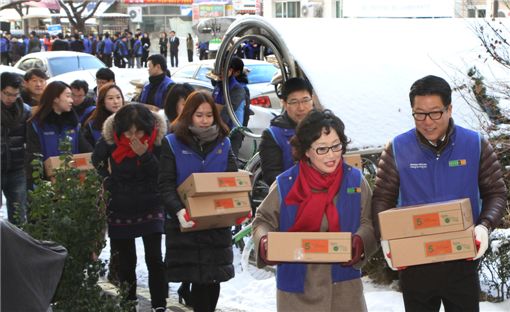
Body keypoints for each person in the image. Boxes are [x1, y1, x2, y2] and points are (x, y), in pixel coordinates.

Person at [371, 75, 507, 311]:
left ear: (449, 109)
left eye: (435, 112)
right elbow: (382, 198)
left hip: (462, 259)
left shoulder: (474, 144)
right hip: (414, 263)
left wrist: (484, 226)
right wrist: (386, 238)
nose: (427, 122)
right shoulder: (397, 148)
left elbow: (496, 192)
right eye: (419, 114)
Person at [252, 109, 376, 312]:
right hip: (297, 289)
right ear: (306, 151)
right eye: (322, 149)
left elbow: (369, 221)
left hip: (344, 289)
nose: (331, 155)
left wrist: (361, 241)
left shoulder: (355, 181)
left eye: (336, 146)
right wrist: (265, 242)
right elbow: (262, 221)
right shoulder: (286, 184)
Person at [158, 91, 237, 312]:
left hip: (215, 225)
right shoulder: (172, 143)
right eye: (199, 115)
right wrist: (179, 211)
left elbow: (233, 180)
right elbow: (165, 183)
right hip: (187, 224)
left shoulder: (224, 143)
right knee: (197, 280)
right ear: (188, 115)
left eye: (209, 115)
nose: (204, 120)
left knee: (212, 281)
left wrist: (239, 206)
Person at [92, 104, 168, 310]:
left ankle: (159, 305)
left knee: (154, 258)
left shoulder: (158, 141)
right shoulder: (110, 140)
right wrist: (107, 181)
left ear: (149, 128)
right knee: (126, 262)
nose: (133, 136)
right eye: (128, 131)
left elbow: (162, 173)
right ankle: (128, 303)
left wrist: (144, 155)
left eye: (139, 131)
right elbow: (96, 161)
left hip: (151, 202)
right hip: (120, 204)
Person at [25, 81, 92, 188]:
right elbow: (33, 157)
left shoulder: (73, 123)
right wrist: (41, 182)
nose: (72, 100)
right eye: (68, 96)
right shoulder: (36, 124)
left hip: (74, 182)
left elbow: (85, 148)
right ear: (55, 98)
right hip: (47, 184)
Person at [259, 77, 316, 186]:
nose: (301, 107)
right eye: (294, 102)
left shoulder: (325, 128)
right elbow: (271, 175)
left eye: (305, 100)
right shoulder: (273, 135)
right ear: (284, 104)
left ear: (312, 99)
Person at [1, 72, 31, 225]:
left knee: (19, 216)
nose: (10, 99)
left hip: (17, 168)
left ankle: (16, 248)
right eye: (7, 94)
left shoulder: (24, 110)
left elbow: (30, 140)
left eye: (15, 95)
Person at [212, 56, 249, 156]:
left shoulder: (238, 89)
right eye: (216, 69)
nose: (218, 73)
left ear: (230, 71)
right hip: (216, 132)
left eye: (222, 70)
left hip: (232, 133)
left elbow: (226, 112)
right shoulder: (218, 86)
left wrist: (216, 109)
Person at [82, 83, 124, 147]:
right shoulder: (92, 125)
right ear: (102, 102)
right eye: (110, 98)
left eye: (118, 97)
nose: (116, 101)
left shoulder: (130, 119)